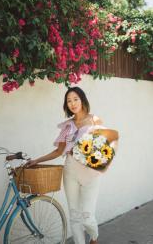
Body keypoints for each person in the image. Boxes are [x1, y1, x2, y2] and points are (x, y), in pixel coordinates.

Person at [27, 87, 119, 244]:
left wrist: (103, 164)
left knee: (87, 215)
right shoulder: (67, 126)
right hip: (70, 171)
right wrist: (37, 160)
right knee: (75, 215)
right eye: (69, 101)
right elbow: (58, 151)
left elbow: (106, 146)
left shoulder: (94, 120)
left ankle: (94, 237)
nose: (72, 103)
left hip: (91, 173)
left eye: (75, 99)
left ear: (82, 100)